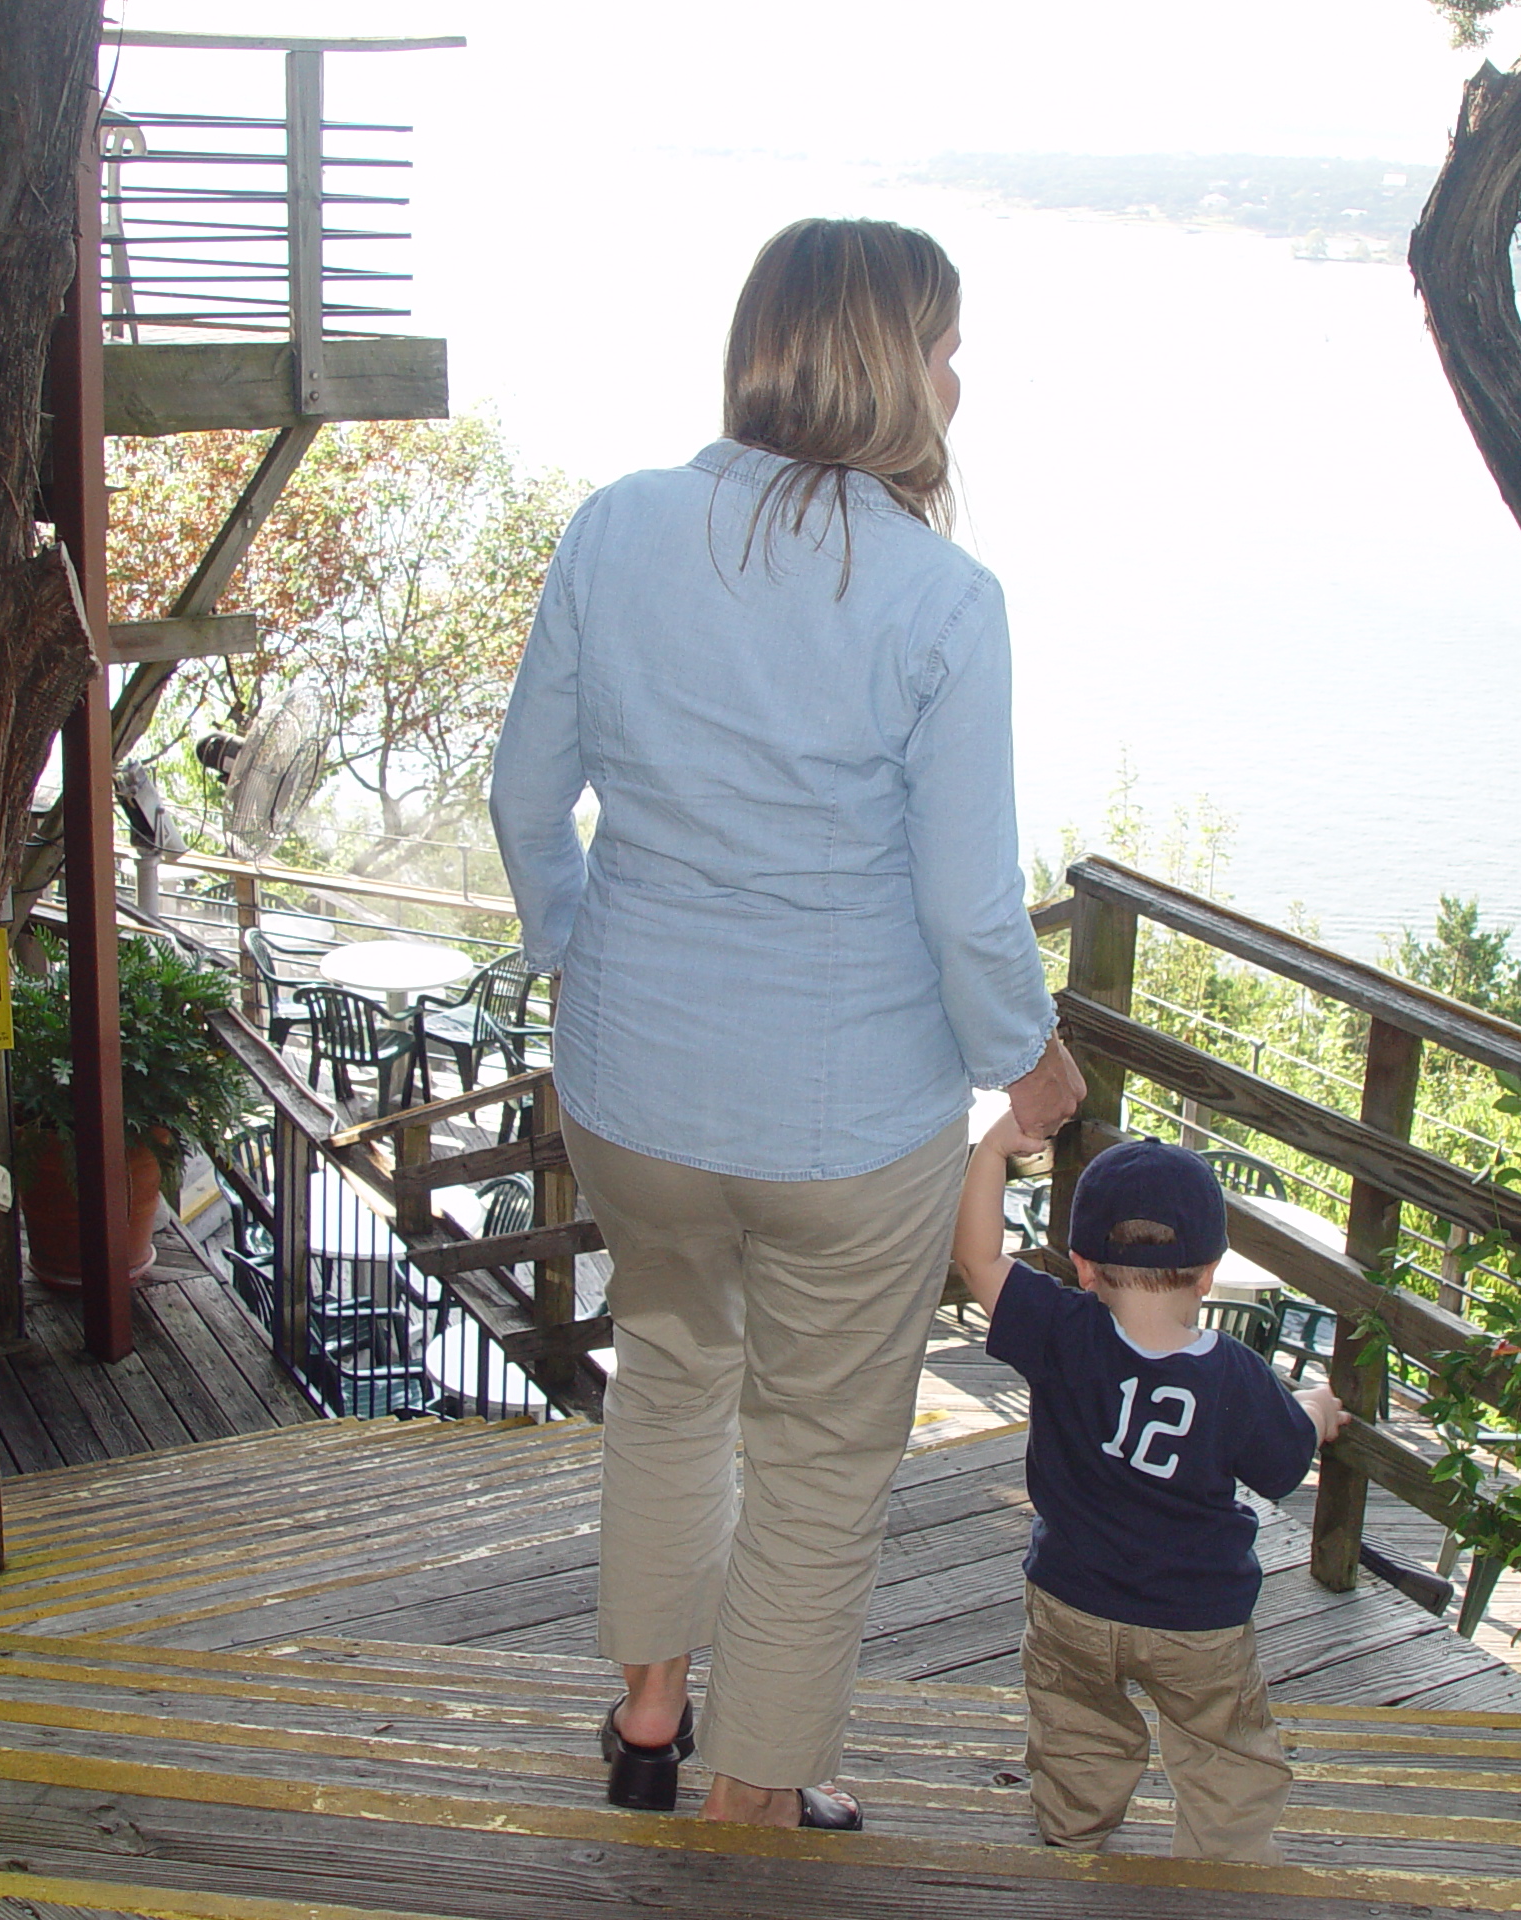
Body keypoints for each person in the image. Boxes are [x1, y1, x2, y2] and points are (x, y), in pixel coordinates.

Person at [488, 217, 1085, 1832]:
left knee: (672, 1377)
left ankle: (648, 1718)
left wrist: (578, 949)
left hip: (634, 1091)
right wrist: (1025, 1057)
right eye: (948, 346)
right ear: (895, 362)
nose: (962, 378)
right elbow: (970, 904)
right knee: (822, 1461)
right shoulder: (945, 600)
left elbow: (528, 793)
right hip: (845, 1125)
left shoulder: (620, 527)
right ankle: (754, 1808)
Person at [950, 1122, 1349, 1864]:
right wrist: (1320, 1412)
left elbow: (976, 1257)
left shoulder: (1062, 1331)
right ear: (1208, 1272)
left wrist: (994, 1149)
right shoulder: (1235, 1374)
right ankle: (1220, 1871)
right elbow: (1284, 1462)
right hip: (1196, 1618)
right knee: (1225, 1750)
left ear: (1083, 1266)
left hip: (1071, 1599)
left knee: (1076, 1728)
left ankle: (1073, 1833)